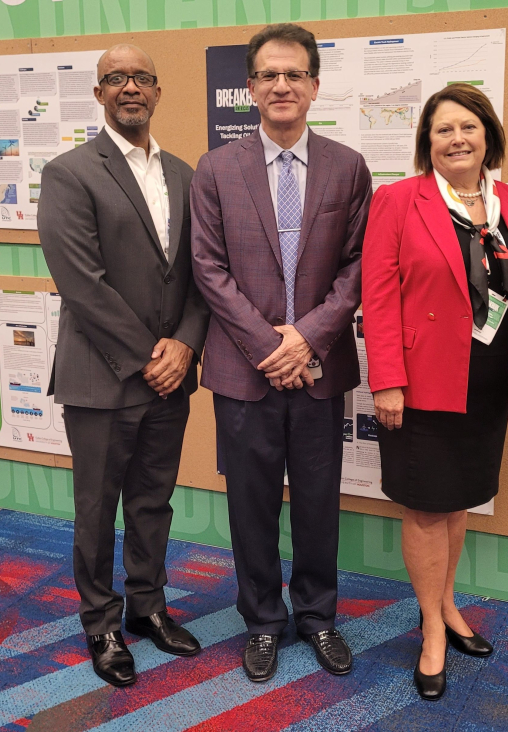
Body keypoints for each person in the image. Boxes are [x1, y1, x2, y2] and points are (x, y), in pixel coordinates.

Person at [190, 23, 372, 683]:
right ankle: (264, 622)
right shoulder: (216, 169)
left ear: (315, 86)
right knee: (252, 504)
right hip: (247, 372)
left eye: (294, 74)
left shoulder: (348, 167)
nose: (282, 85)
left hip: (320, 370)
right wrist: (274, 346)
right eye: (269, 75)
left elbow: (357, 268)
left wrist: (307, 337)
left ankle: (318, 617)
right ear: (250, 88)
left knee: (321, 501)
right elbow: (208, 269)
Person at [361, 83, 508, 701]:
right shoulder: (397, 200)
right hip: (422, 381)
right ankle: (432, 630)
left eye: (468, 127)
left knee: (460, 499)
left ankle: (446, 605)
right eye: (443, 130)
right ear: (427, 142)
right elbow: (378, 297)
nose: (457, 138)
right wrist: (387, 378)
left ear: (487, 135)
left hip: (490, 380)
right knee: (427, 505)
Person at [37, 44, 210, 687]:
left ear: (159, 91)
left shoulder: (189, 176)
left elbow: (200, 276)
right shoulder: (69, 172)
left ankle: (148, 608)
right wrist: (149, 357)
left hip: (171, 376)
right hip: (103, 376)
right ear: (99, 92)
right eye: (116, 78)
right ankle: (102, 624)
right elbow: (81, 284)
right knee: (97, 506)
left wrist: (186, 345)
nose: (129, 87)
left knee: (152, 503)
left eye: (141, 77)